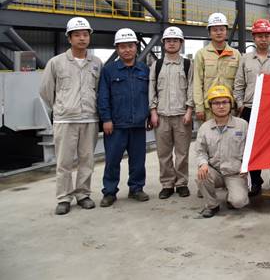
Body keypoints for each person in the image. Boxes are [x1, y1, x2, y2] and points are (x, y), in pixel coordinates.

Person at [40, 17, 103, 215]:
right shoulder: (56, 62)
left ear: (89, 37)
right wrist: (62, 107)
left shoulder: (96, 63)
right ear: (69, 38)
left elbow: (99, 90)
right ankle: (64, 198)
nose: (82, 38)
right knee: (64, 162)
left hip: (90, 119)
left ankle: (83, 194)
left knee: (87, 160)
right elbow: (46, 90)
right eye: (77, 35)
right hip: (65, 120)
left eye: (85, 35)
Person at [233, 18, 270, 197]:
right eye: (259, 36)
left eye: (266, 36)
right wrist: (240, 105)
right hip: (250, 109)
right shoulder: (245, 59)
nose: (263, 39)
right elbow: (238, 85)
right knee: (252, 146)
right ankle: (256, 182)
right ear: (254, 38)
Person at [97, 28, 150, 207]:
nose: (127, 50)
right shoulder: (109, 71)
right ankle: (109, 192)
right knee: (112, 160)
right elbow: (103, 96)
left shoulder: (144, 70)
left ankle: (136, 188)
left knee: (138, 160)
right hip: (116, 125)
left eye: (130, 46)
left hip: (138, 124)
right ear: (117, 49)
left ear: (136, 47)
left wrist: (148, 116)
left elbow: (149, 95)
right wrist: (106, 119)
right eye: (122, 47)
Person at [149, 26, 194, 199]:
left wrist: (189, 110)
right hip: (162, 116)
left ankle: (181, 183)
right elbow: (151, 89)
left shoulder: (188, 64)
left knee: (182, 153)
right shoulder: (157, 65)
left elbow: (191, 88)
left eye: (175, 40)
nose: (172, 43)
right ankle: (167, 184)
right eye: (169, 40)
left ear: (181, 43)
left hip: (182, 116)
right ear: (164, 43)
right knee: (164, 154)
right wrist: (153, 112)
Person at [195, 85, 249, 218]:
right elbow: (200, 151)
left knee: (239, 202)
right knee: (201, 175)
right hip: (215, 171)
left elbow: (250, 149)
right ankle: (212, 205)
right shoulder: (205, 128)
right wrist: (203, 164)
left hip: (235, 173)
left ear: (230, 104)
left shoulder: (242, 125)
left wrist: (246, 166)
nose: (221, 106)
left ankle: (232, 194)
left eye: (225, 102)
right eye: (216, 103)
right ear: (210, 106)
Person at [193, 13, 241, 121]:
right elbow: (197, 82)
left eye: (221, 29)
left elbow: (240, 83)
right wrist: (199, 106)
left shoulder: (236, 54)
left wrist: (239, 103)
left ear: (226, 32)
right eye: (215, 30)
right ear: (209, 33)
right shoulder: (201, 54)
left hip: (230, 107)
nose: (218, 32)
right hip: (209, 108)